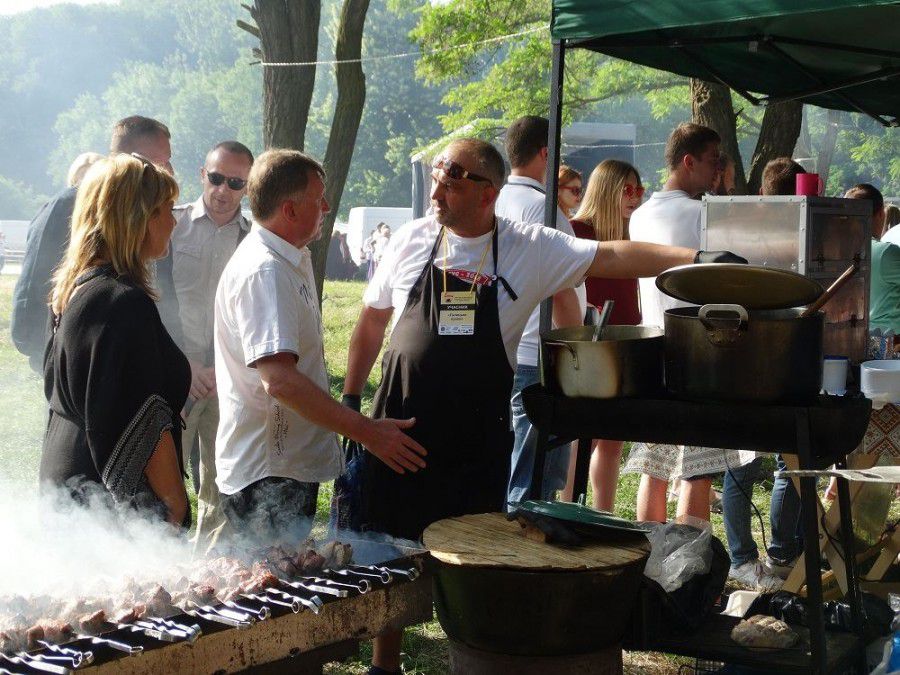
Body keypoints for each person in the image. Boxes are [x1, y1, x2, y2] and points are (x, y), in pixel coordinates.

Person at [339, 137, 742, 675]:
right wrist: (352, 402)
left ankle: (474, 653)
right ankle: (385, 665)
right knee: (388, 550)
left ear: (488, 192)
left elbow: (614, 255)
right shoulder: (411, 240)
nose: (436, 190)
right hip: (399, 426)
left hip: (473, 434)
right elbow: (371, 321)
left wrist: (697, 260)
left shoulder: (529, 245)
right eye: (436, 176)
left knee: (471, 558)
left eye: (450, 179)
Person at [214, 149, 426, 546]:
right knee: (274, 593)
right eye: (318, 198)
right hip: (269, 472)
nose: (327, 206)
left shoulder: (288, 258)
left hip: (285, 467)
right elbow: (279, 381)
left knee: (287, 579)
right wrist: (367, 432)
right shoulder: (266, 271)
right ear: (290, 210)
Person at [39, 153, 189, 527]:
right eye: (166, 209)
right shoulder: (122, 301)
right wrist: (173, 503)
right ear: (138, 217)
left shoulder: (74, 289)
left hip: (66, 479)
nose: (173, 221)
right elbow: (142, 417)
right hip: (105, 501)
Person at [625, 123, 756, 533]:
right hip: (701, 350)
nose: (717, 170)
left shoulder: (641, 214)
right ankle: (690, 562)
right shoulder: (703, 213)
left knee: (657, 462)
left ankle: (648, 554)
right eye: (713, 161)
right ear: (689, 161)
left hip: (654, 345)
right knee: (698, 467)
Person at [12, 116, 175, 373]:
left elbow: (166, 295)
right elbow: (31, 300)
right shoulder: (66, 206)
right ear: (133, 157)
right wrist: (59, 362)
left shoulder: (156, 214)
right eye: (162, 162)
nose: (170, 170)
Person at [160, 141, 254, 553]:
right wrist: (187, 366)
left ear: (247, 189)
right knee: (165, 477)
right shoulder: (171, 224)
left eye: (235, 183)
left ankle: (210, 573)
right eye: (216, 178)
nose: (223, 190)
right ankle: (161, 563)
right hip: (173, 371)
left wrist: (217, 369)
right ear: (202, 174)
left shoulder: (253, 239)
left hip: (226, 378)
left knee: (221, 480)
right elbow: (156, 299)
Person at [494, 116, 586, 506]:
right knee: (533, 483)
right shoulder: (545, 211)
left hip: (496, 349)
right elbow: (565, 291)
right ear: (546, 153)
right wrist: (578, 353)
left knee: (506, 464)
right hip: (536, 356)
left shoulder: (491, 199)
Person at [569, 159, 643, 511]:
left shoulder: (628, 235)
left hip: (625, 345)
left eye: (638, 190)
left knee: (613, 438)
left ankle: (604, 514)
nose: (634, 198)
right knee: (583, 435)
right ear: (607, 189)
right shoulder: (577, 231)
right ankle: (570, 508)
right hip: (588, 348)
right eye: (627, 189)